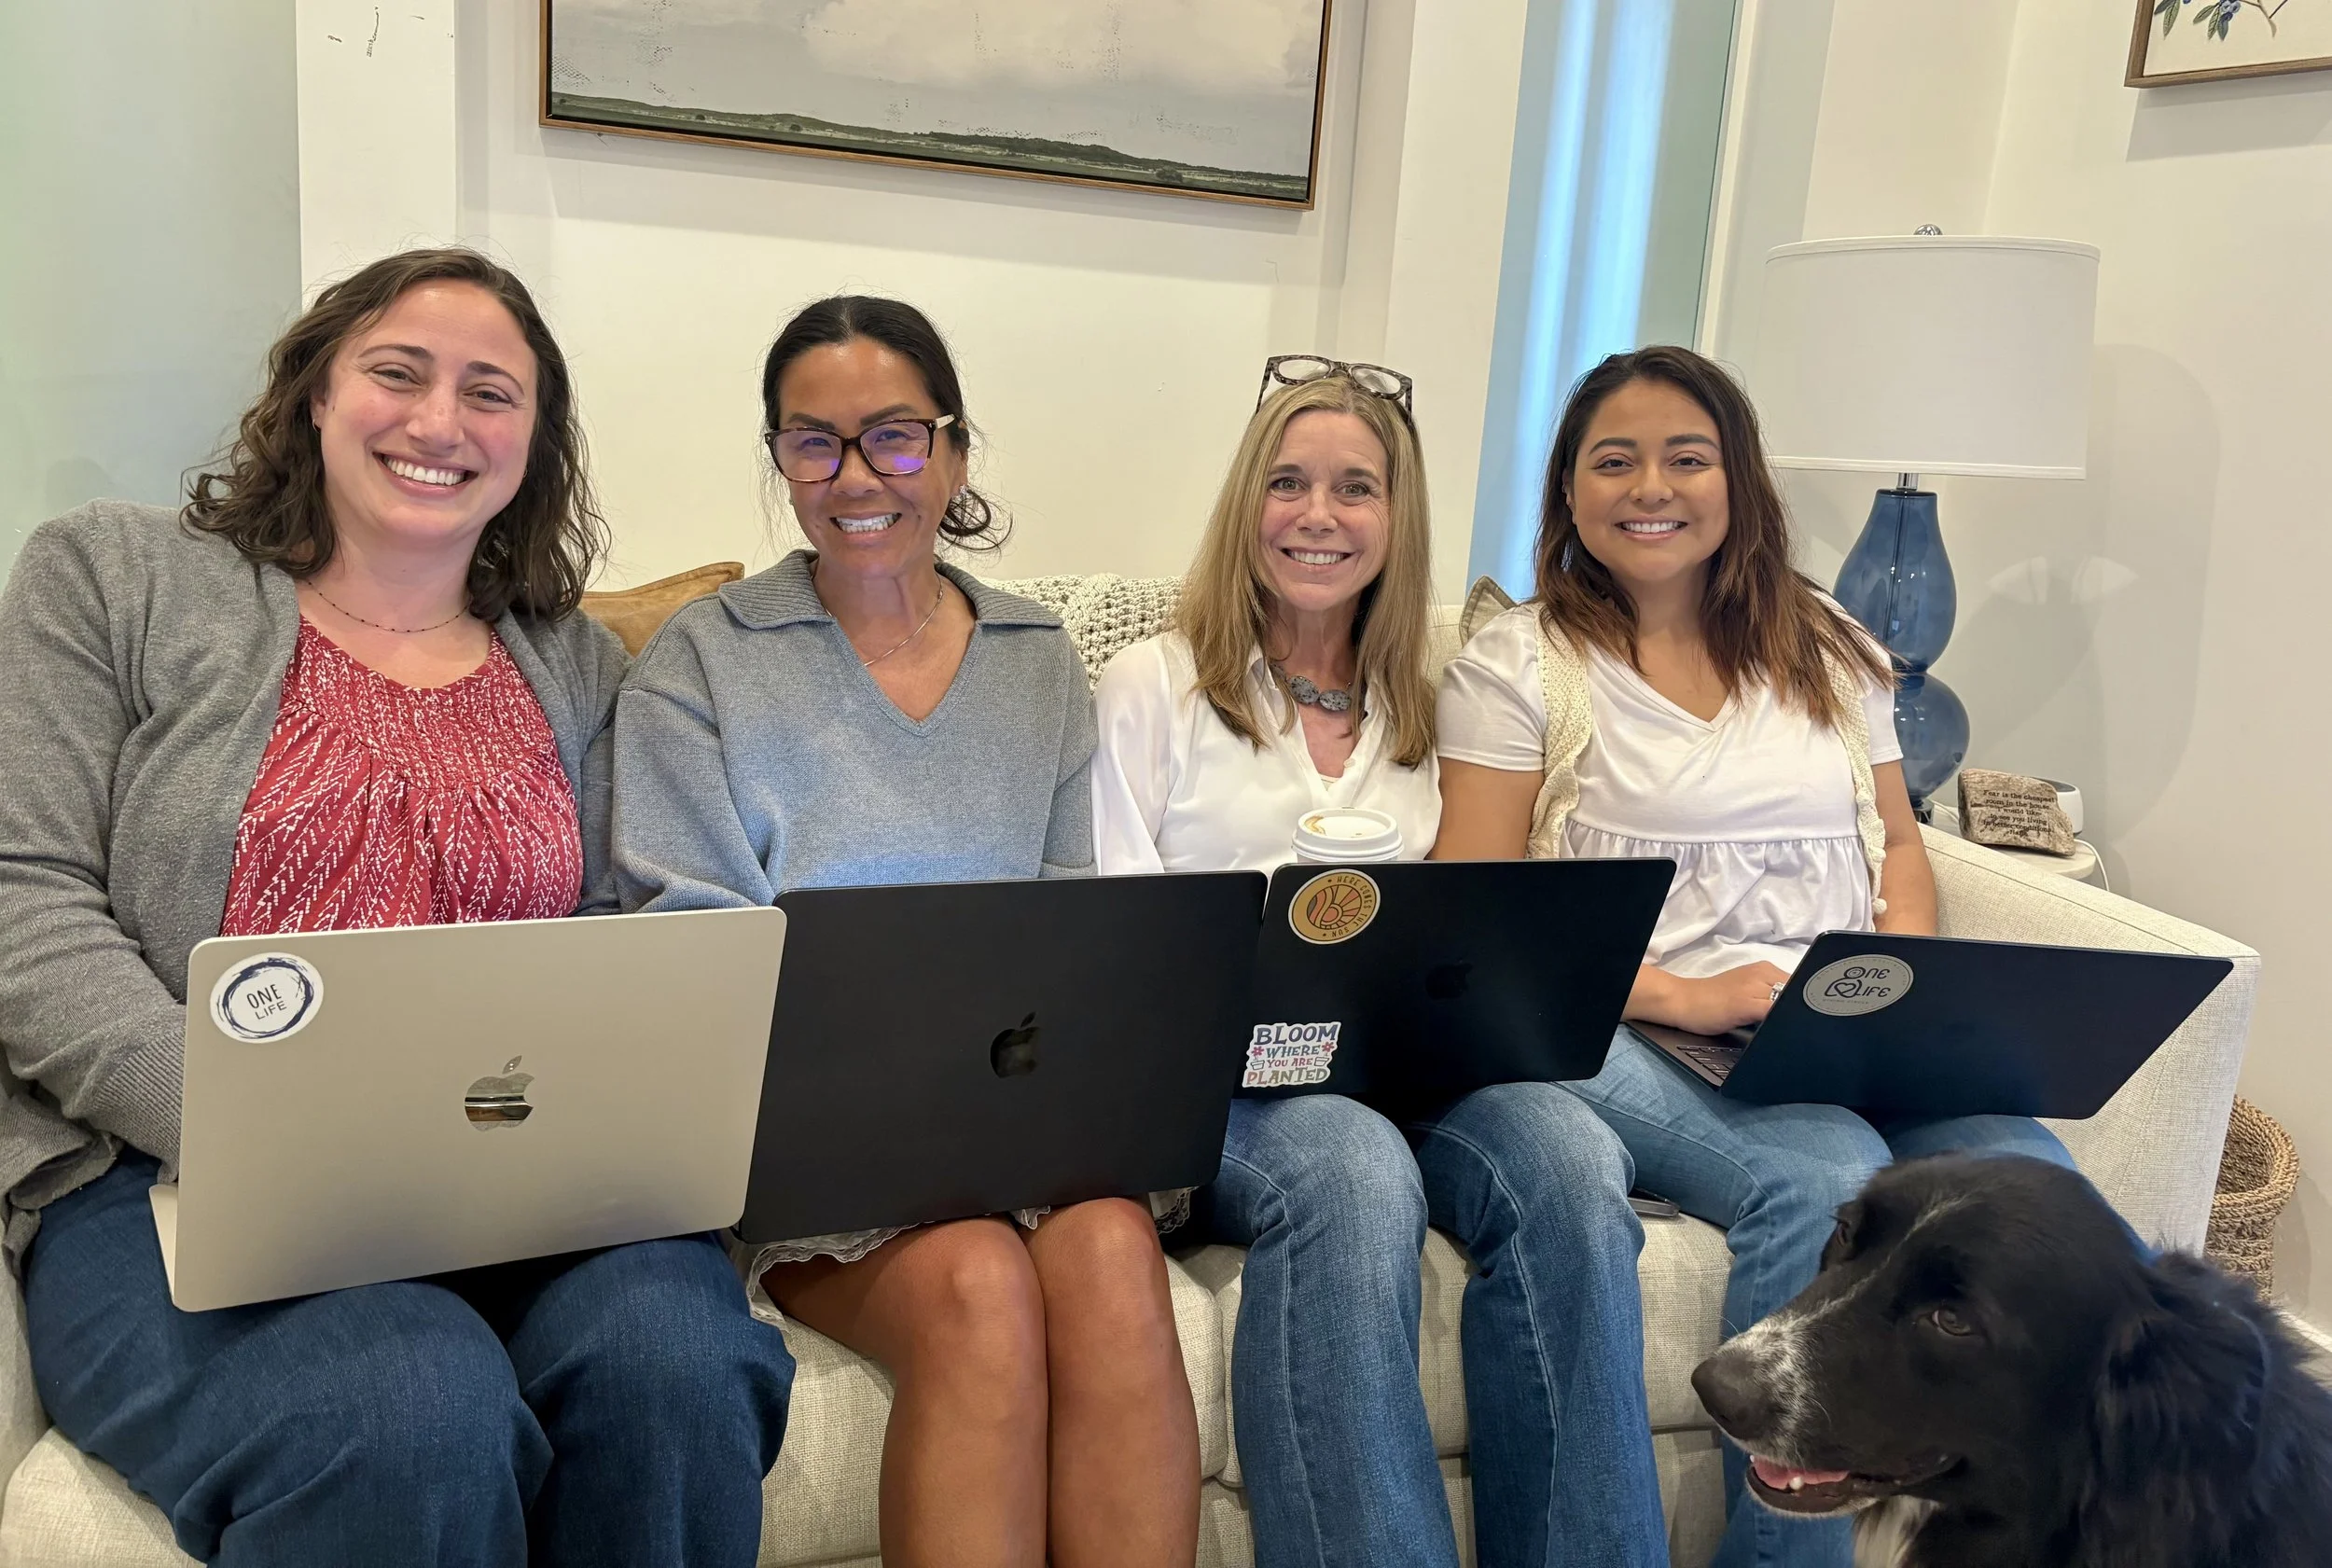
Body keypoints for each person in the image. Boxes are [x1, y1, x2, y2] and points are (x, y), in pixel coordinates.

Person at [0, 248, 794, 1567]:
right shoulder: (112, 577)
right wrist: (252, 1123)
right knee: (408, 1405)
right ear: (317, 391)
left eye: (490, 392)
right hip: (168, 1179)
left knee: (684, 1361)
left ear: (533, 442)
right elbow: (25, 899)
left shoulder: (577, 664)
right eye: (397, 373)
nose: (439, 422)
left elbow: (617, 935)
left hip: (514, 1182)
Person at [1433, 344, 2075, 1568]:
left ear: (1739, 479)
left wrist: (1900, 986)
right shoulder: (1521, 665)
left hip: (1836, 1014)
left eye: (1687, 457)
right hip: (1620, 1022)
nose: (1650, 487)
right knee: (1825, 1175)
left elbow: (1899, 842)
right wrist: (1689, 993)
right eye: (1612, 461)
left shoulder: (1831, 645)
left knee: (2034, 1181)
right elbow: (1478, 917)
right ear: (1568, 489)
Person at [611, 296, 1196, 1568]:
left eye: (893, 436)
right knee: (977, 1280)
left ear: (955, 451)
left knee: (1113, 1247)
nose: (855, 476)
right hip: (813, 1148)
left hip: (1019, 1122)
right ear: (780, 459)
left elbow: (1073, 933)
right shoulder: (702, 662)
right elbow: (687, 953)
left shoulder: (1038, 658)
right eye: (813, 442)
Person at [1090, 357, 1669, 1568]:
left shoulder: (1433, 708)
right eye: (1288, 483)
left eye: (1356, 488)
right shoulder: (1155, 686)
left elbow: (1469, 932)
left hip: (1412, 1074)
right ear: (1246, 504)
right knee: (1351, 1168)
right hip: (1224, 1089)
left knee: (1573, 1154)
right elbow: (1118, 939)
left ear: (1396, 521)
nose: (1319, 514)